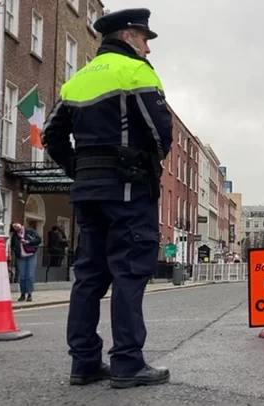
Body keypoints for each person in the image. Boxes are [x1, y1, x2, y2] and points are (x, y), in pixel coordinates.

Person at [41, 7, 173, 389]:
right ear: (129, 35)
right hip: (129, 188)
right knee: (129, 273)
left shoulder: (77, 79)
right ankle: (128, 362)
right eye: (145, 39)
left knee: (89, 276)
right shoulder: (134, 71)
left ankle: (83, 362)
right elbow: (160, 132)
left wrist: (79, 169)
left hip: (87, 191)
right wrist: (142, 164)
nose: (148, 49)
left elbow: (52, 136)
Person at [9, 222, 42, 302]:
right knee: (22, 276)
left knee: (30, 275)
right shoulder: (15, 236)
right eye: (14, 227)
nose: (16, 226)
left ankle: (29, 294)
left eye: (16, 224)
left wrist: (29, 242)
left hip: (31, 255)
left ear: (20, 224)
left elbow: (38, 240)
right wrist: (16, 252)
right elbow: (12, 246)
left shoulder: (30, 231)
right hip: (21, 257)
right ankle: (23, 294)